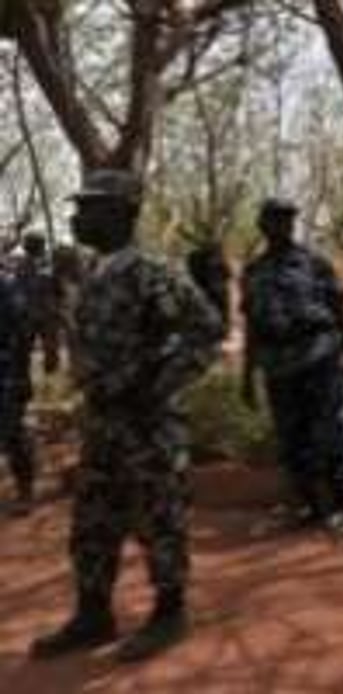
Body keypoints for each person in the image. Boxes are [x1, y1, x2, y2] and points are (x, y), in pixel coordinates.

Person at [30, 169, 224, 662]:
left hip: (149, 424)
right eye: (78, 207)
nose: (76, 216)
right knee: (93, 520)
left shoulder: (152, 271)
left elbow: (206, 328)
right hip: (103, 422)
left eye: (88, 208)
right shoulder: (94, 273)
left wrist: (160, 384)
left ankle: (169, 613)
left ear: (122, 214)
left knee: (160, 516)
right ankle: (93, 614)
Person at [240, 198, 343, 533]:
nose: (281, 226)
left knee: (332, 433)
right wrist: (246, 376)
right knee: (291, 439)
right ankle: (309, 506)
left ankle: (341, 508)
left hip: (319, 357)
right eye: (273, 220)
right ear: (261, 225)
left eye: (286, 220)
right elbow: (251, 326)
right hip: (277, 366)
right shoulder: (253, 271)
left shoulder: (314, 264)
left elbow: (341, 313)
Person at [0, 266, 34, 515]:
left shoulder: (6, 288)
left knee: (12, 431)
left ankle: (25, 492)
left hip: (6, 372)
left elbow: (23, 333)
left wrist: (20, 376)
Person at [13, 230, 64, 375]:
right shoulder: (21, 265)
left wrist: (57, 304)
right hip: (29, 313)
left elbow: (57, 287)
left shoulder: (49, 264)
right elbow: (18, 288)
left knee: (51, 349)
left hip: (47, 313)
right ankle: (22, 380)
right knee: (24, 349)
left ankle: (50, 378)